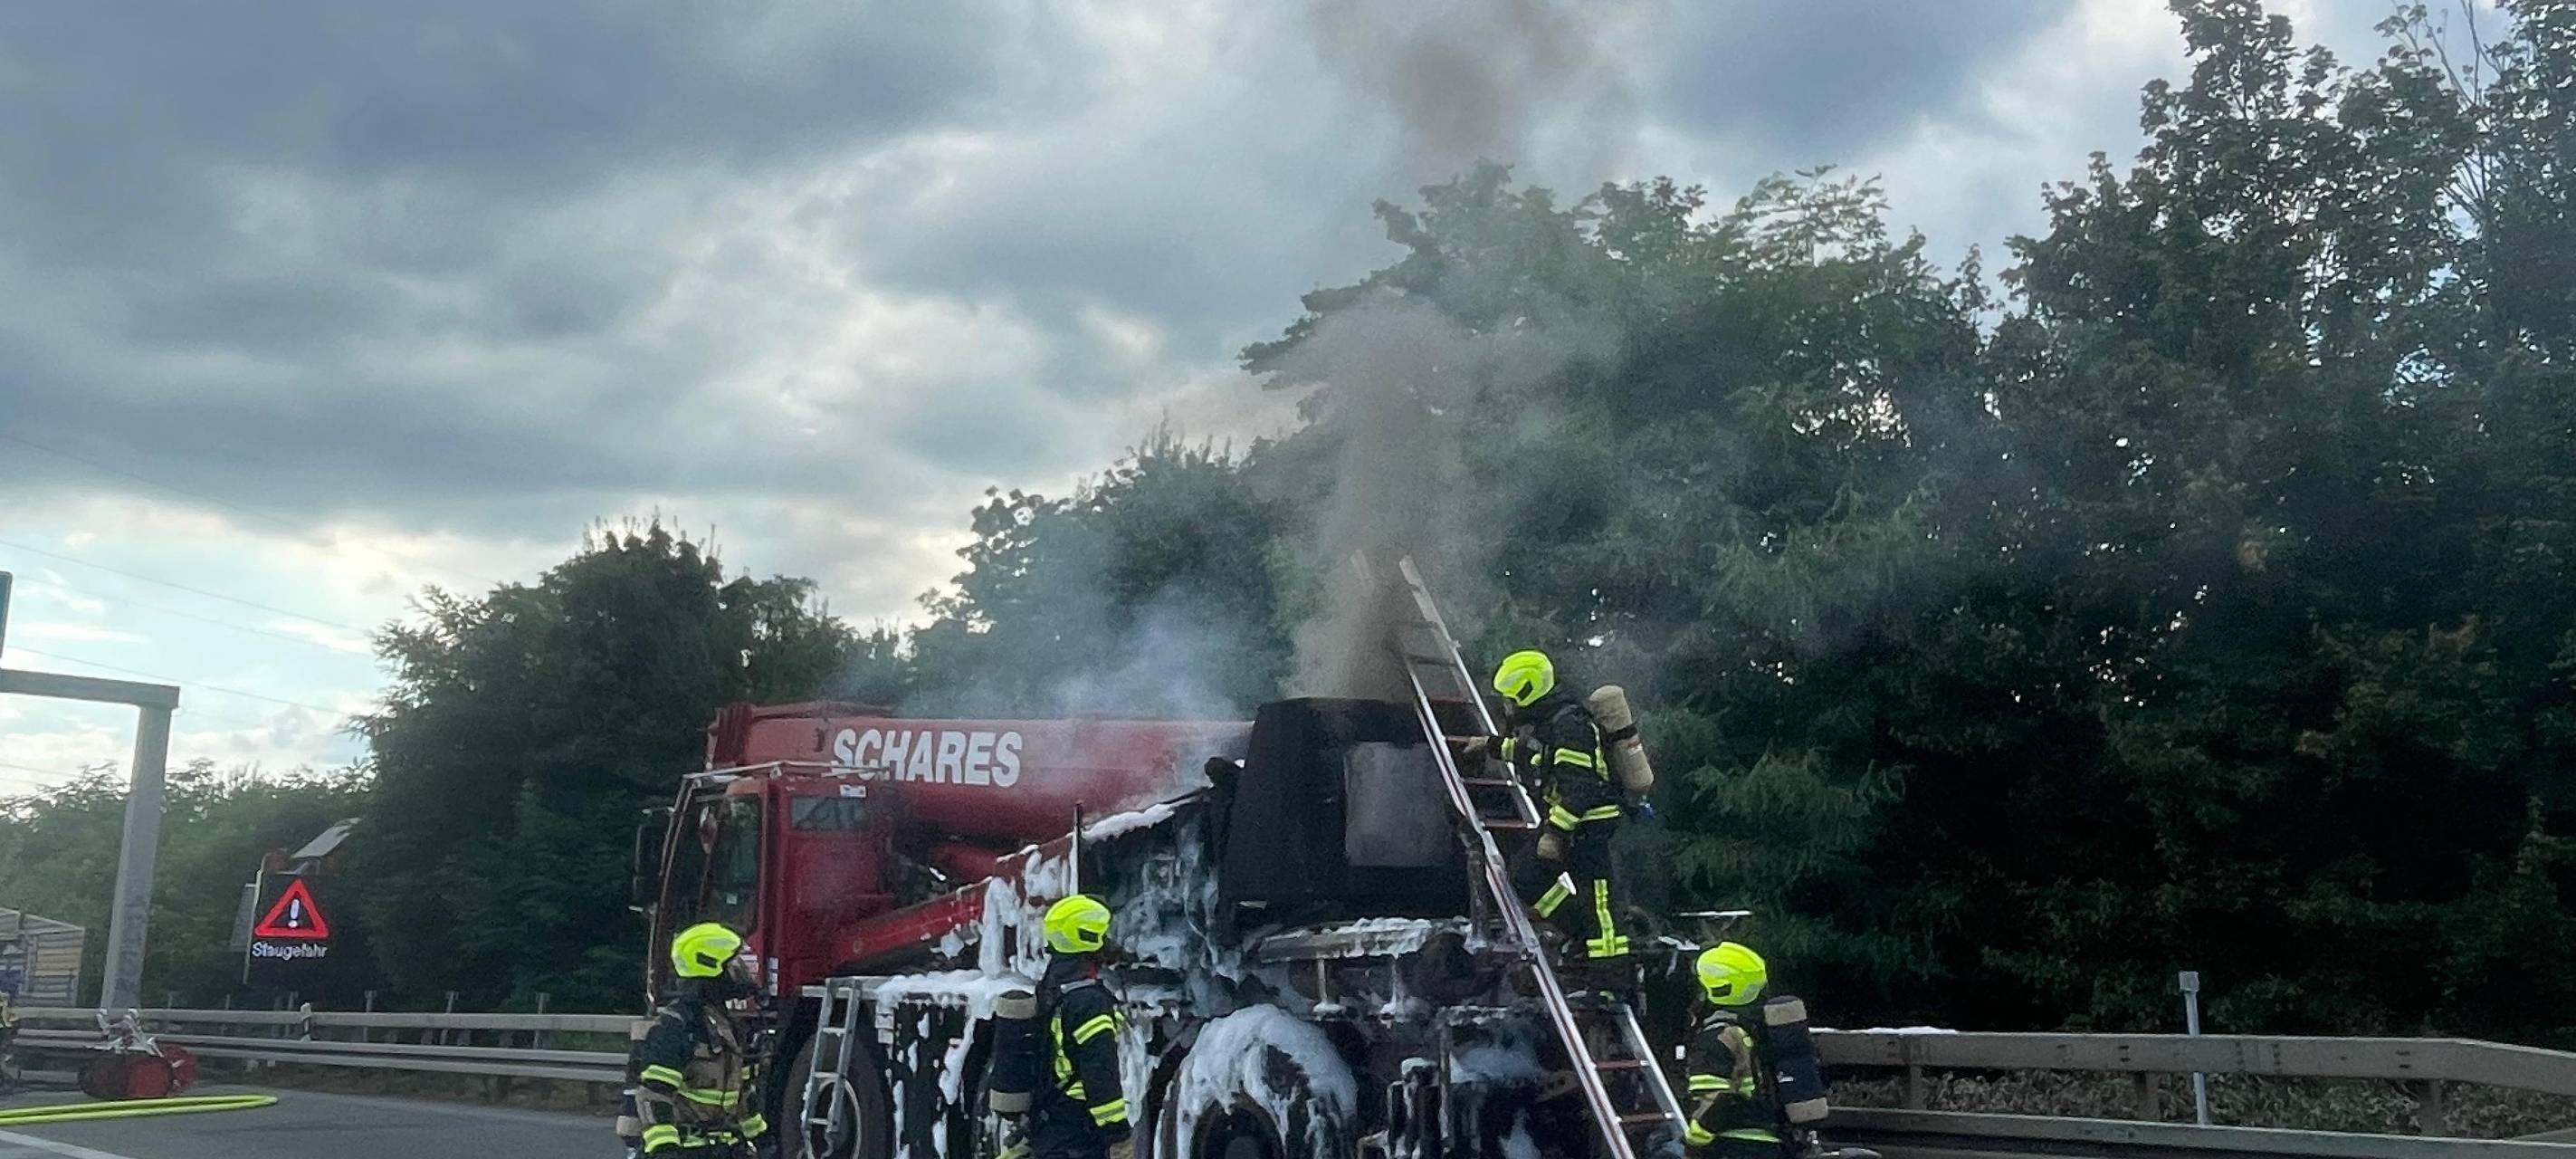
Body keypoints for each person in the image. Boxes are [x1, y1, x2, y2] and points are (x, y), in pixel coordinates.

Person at [1484, 648, 1630, 963]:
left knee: (1599, 905)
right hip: (1568, 823)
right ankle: (1580, 933)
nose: (1507, 706)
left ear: (1527, 692)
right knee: (1525, 877)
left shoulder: (1570, 727)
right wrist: (1491, 746)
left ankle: (1610, 974)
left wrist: (1555, 833)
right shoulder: (1551, 722)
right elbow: (1536, 754)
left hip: (1589, 824)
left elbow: (1581, 787)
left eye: (1510, 698)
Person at [632, 923, 770, 1157]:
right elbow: (655, 1094)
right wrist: (664, 1149)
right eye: (733, 965)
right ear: (709, 965)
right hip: (687, 1151)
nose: (742, 973)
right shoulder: (676, 1027)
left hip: (726, 1150)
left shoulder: (730, 1026)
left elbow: (744, 1096)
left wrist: (763, 1140)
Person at [1027, 895, 1131, 1159]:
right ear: (1087, 938)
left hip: (1052, 1127)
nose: (1109, 942)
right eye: (1103, 934)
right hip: (1079, 1136)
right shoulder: (1089, 1002)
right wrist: (1118, 1136)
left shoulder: (1051, 987)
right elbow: (1099, 1072)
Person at [1682, 943, 1789, 1158]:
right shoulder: (1759, 1029)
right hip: (1774, 1142)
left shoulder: (1717, 1036)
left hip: (1733, 1145)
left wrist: (1694, 1142)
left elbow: (1718, 1100)